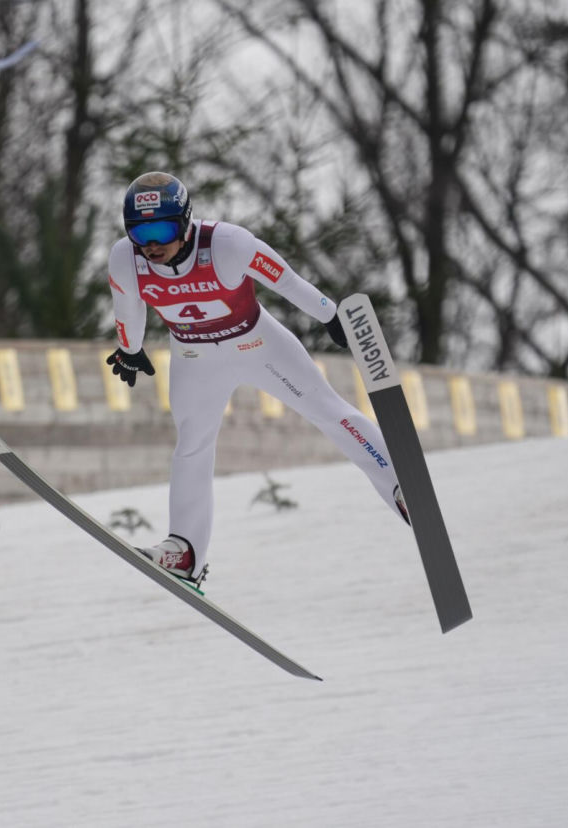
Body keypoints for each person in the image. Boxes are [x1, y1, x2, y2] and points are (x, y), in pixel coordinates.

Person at [106, 171, 408, 584]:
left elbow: (286, 280)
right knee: (192, 444)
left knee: (327, 411)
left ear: (186, 220)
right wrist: (130, 347)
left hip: (258, 345)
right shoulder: (126, 258)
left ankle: (399, 485)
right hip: (194, 357)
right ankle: (185, 550)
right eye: (140, 233)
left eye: (161, 229)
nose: (152, 244)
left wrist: (330, 315)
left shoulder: (228, 245)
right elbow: (127, 309)